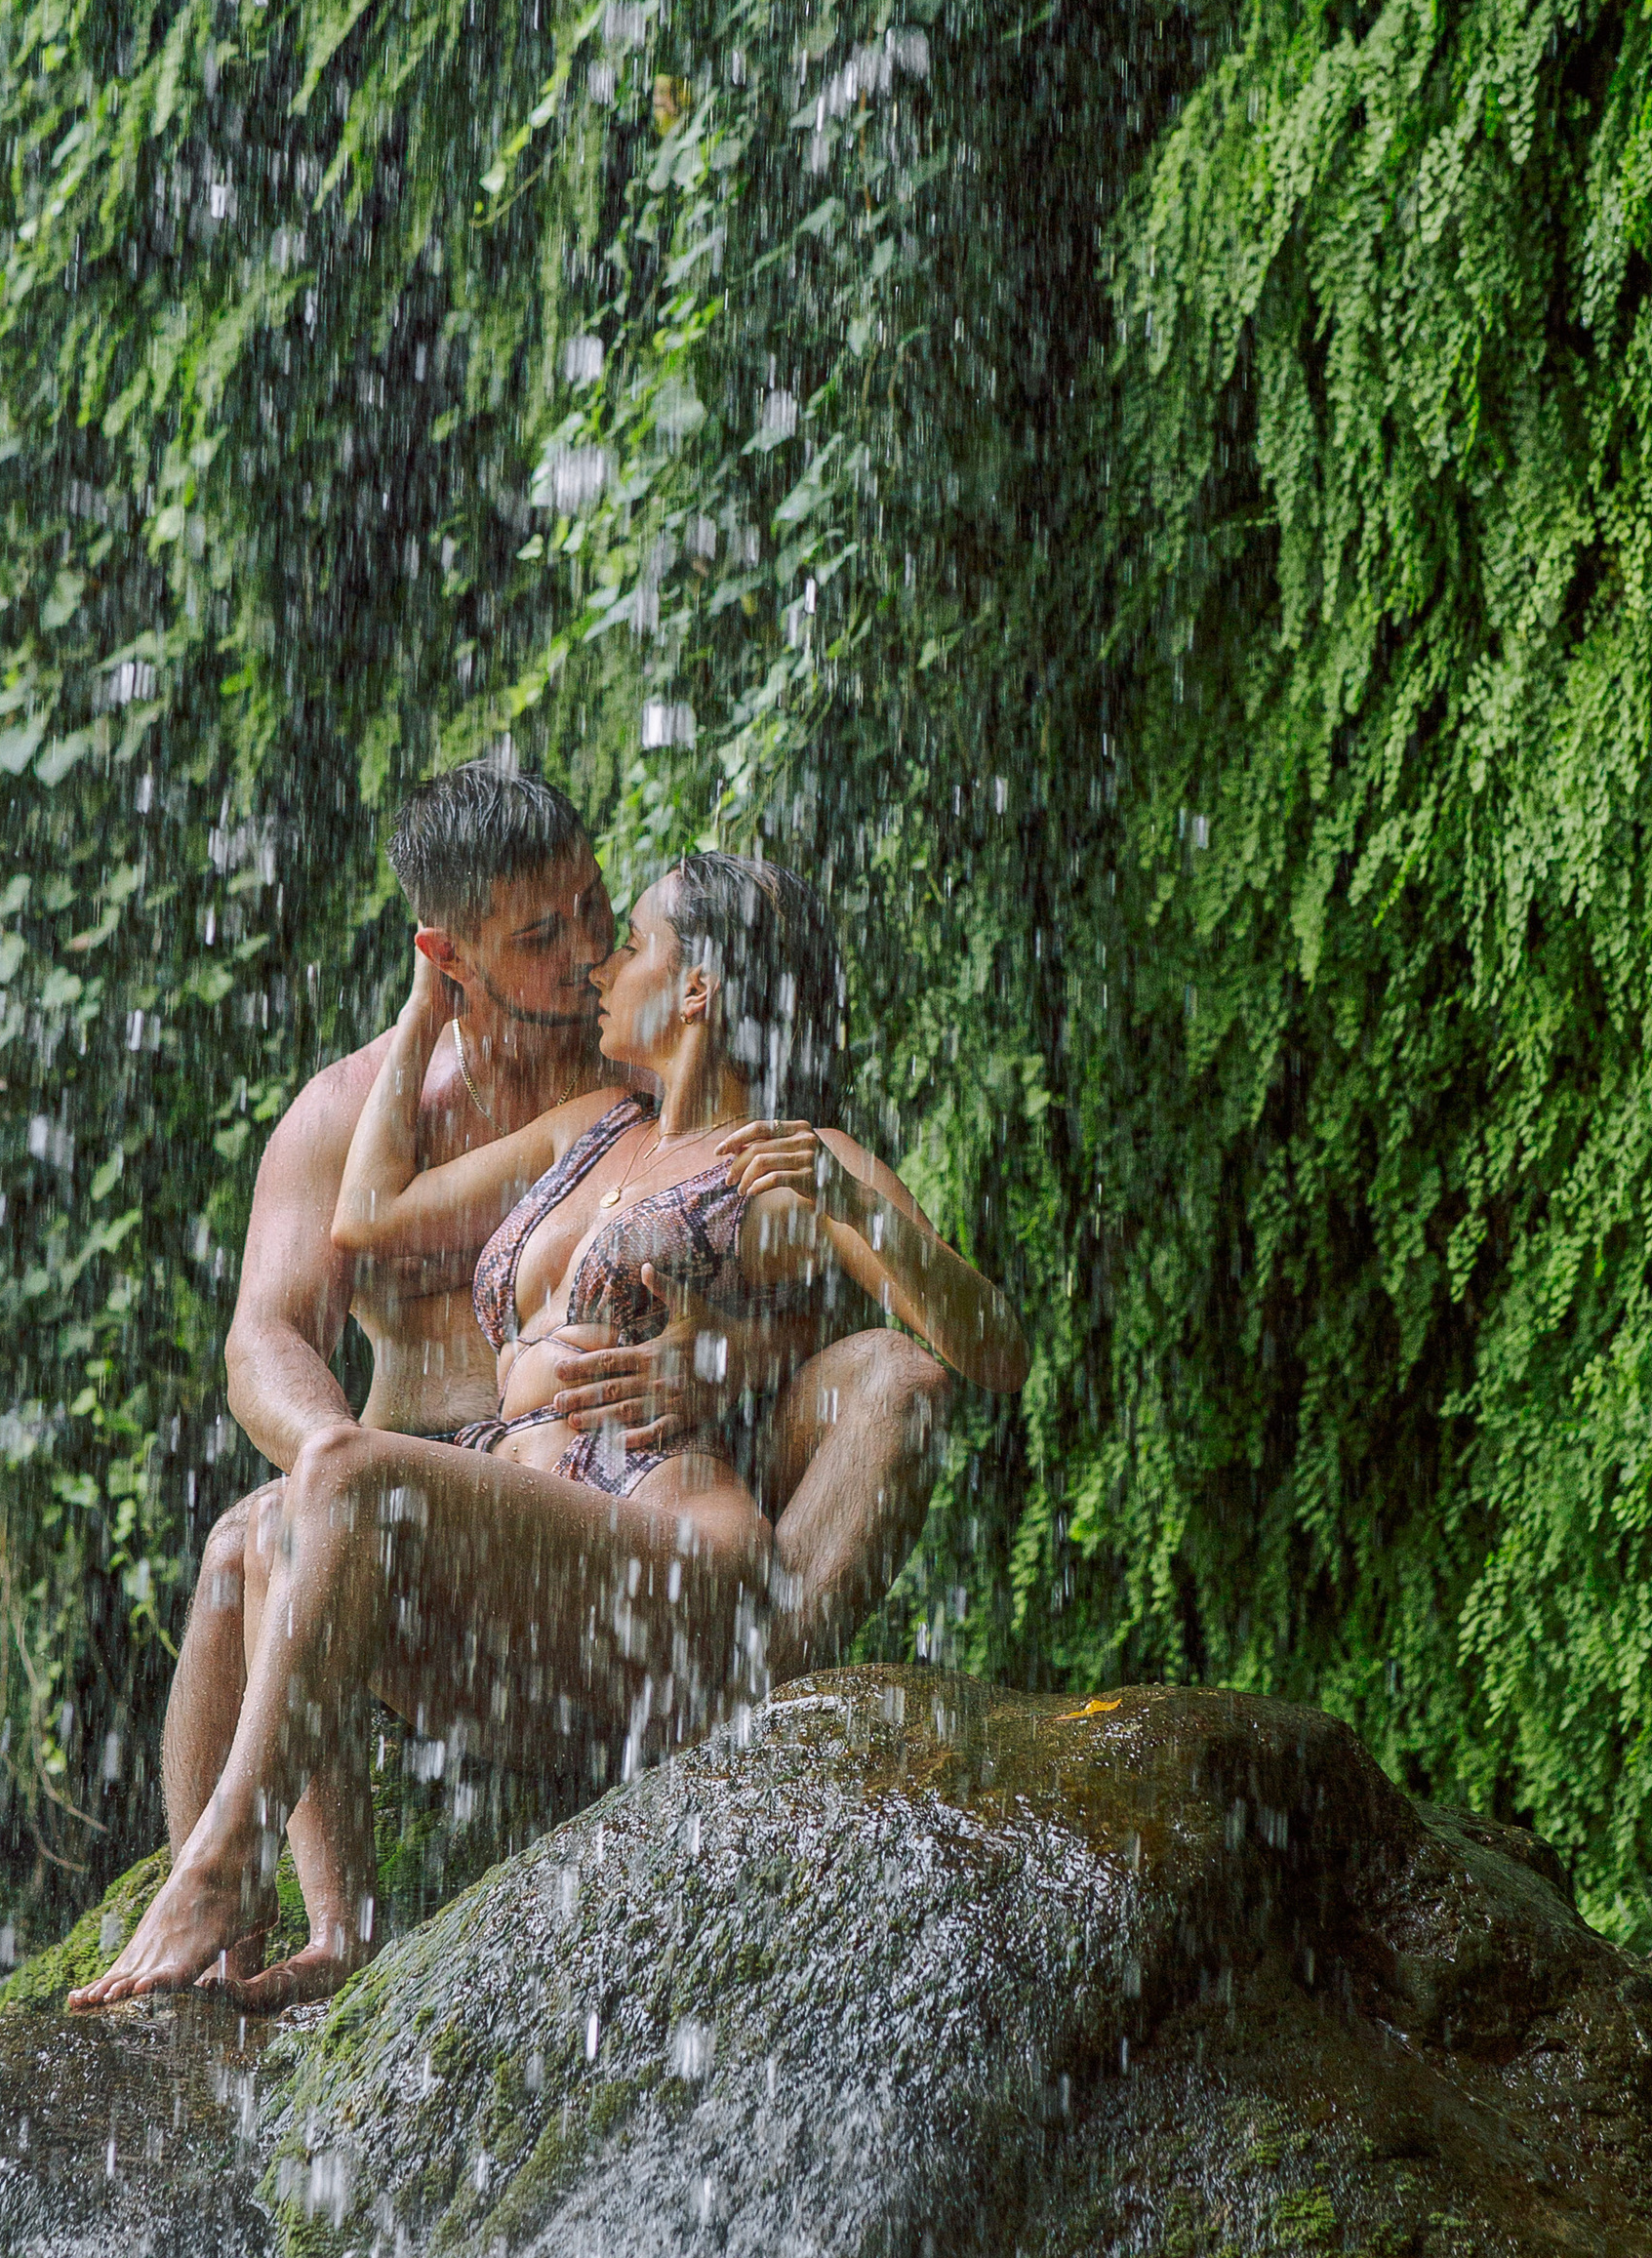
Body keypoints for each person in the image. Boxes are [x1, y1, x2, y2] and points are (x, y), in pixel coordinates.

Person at [76, 846, 1025, 2008]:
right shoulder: (594, 1125)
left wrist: (855, 1224)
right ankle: (315, 1935)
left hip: (667, 1560)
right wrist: (426, 1011)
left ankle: (223, 1861)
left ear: (697, 987)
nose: (599, 967)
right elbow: (367, 1217)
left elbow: (992, 1354)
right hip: (535, 1568)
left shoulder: (794, 1160)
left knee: (349, 1469)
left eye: (629, 944)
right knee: (250, 1538)